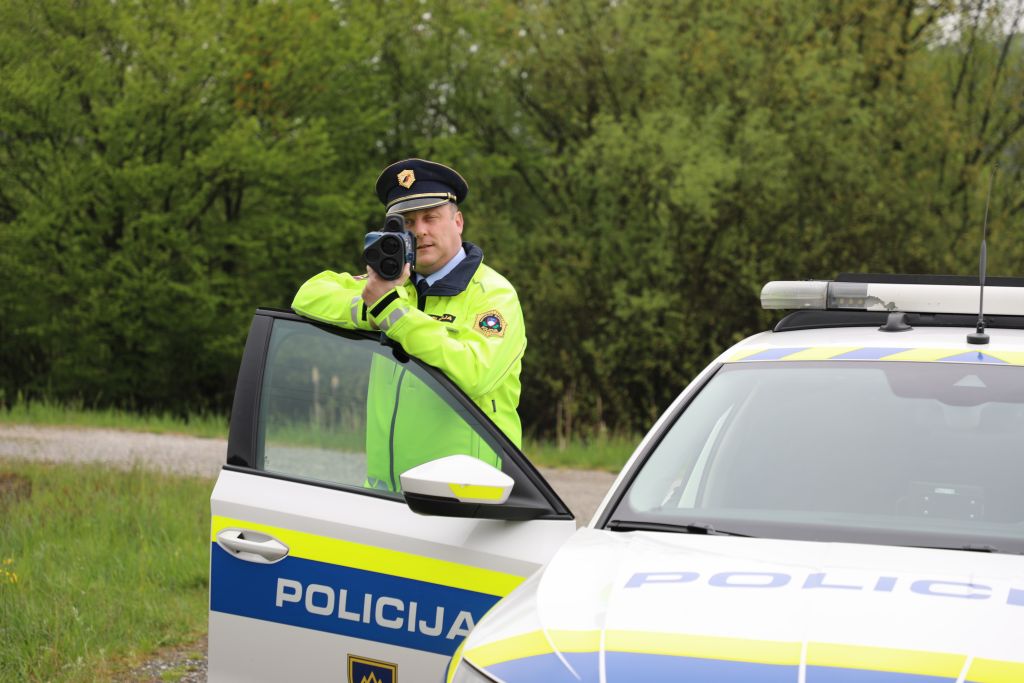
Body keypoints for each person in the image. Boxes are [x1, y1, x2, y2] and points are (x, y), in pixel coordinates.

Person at [291, 159, 527, 491]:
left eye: (431, 217)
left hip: (464, 499)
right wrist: (375, 308)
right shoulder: (393, 286)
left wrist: (391, 310)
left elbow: (476, 373)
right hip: (385, 497)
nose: (420, 231)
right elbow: (308, 294)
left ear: (457, 222)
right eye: (408, 222)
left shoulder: (493, 295)